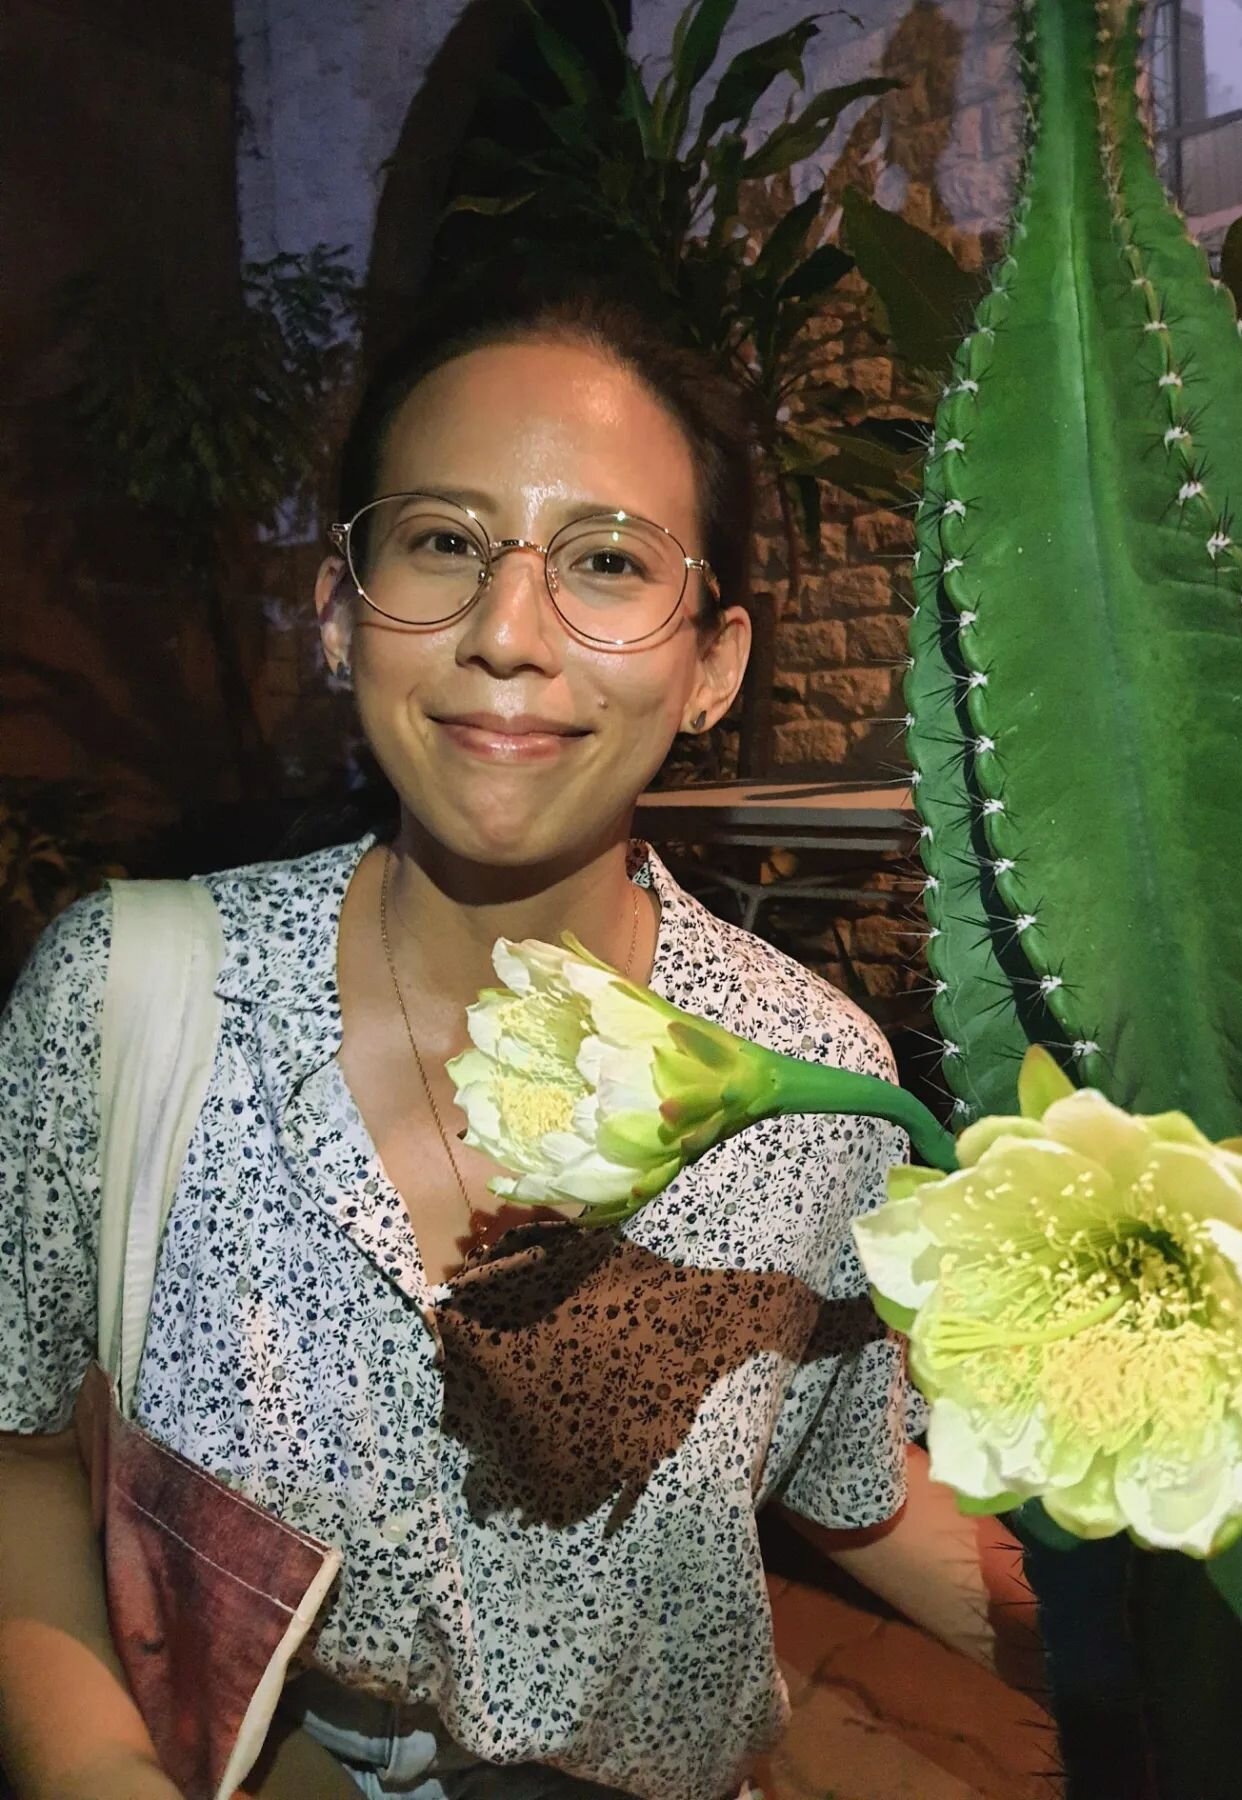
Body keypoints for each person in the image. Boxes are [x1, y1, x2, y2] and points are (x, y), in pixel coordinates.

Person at [0, 292, 1019, 1800]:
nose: (507, 634)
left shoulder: (819, 1087)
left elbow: (851, 1482)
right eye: (443, 544)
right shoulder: (129, 1001)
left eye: (607, 562)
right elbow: (19, 1452)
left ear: (713, 663)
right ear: (342, 613)